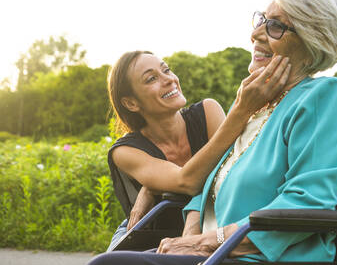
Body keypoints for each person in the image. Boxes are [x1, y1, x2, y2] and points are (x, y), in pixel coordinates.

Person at [54, 0, 337, 265]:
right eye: (260, 20)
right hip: (218, 260)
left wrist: (207, 243)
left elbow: (309, 201)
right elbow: (209, 181)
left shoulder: (322, 97)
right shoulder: (259, 107)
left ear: (313, 39)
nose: (256, 34)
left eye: (275, 26)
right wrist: (191, 237)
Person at [106, 50, 291, 251]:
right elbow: (187, 182)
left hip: (211, 229)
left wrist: (152, 186)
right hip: (152, 236)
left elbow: (230, 168)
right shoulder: (125, 151)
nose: (169, 79)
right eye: (151, 79)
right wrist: (241, 110)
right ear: (131, 103)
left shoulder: (208, 111)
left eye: (166, 70)